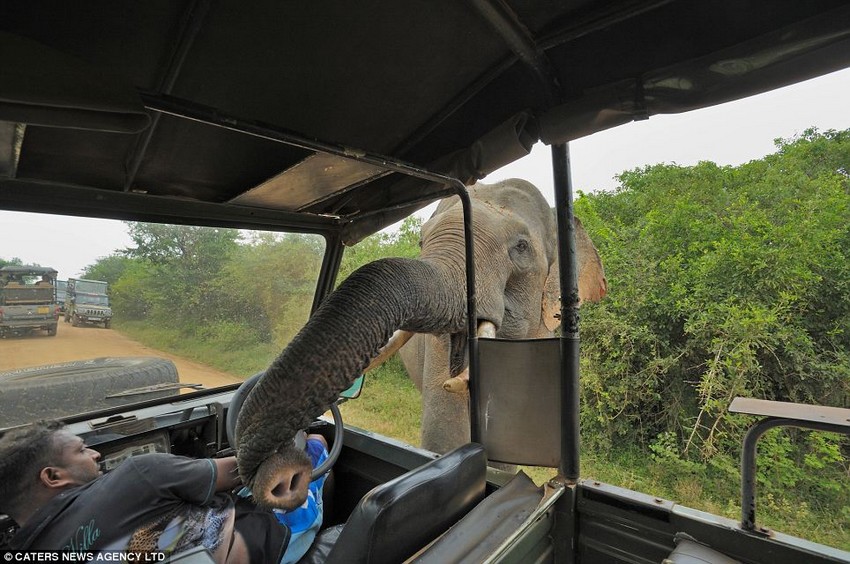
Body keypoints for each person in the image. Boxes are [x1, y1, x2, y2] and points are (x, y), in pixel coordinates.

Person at [0, 420, 327, 563]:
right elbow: (252, 466)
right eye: (82, 451)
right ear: (53, 476)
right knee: (314, 446)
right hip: (269, 542)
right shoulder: (139, 474)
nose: (96, 455)